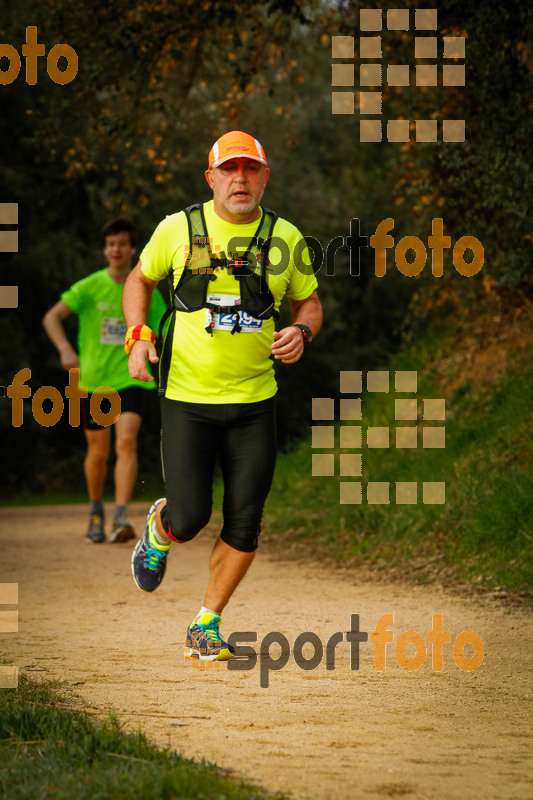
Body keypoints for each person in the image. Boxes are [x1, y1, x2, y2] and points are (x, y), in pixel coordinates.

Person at [123, 131, 322, 661]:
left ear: (265, 177)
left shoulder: (286, 239)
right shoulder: (178, 230)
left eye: (250, 169)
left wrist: (301, 333)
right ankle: (161, 525)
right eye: (229, 170)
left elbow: (310, 304)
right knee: (191, 517)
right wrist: (138, 337)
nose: (241, 179)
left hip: (256, 403)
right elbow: (139, 281)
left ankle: (205, 623)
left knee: (246, 518)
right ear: (210, 178)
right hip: (188, 399)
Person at [43, 217, 167, 544]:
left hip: (131, 378)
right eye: (111, 244)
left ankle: (121, 518)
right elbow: (51, 317)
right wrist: (65, 349)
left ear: (132, 249)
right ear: (104, 248)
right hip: (94, 381)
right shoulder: (89, 286)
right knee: (98, 452)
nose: (116, 249)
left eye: (122, 243)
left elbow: (165, 330)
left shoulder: (146, 291)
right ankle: (96, 513)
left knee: (126, 442)